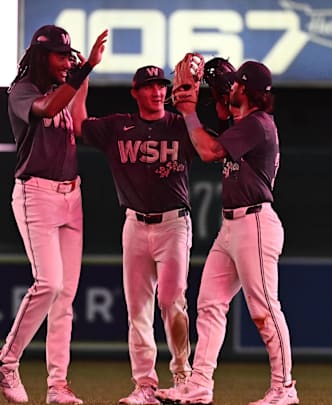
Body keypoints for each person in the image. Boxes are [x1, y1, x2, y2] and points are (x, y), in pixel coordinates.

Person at [156, 61, 300, 405]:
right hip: (232, 226)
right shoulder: (244, 120)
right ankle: (200, 384)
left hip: (255, 223)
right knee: (209, 304)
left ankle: (284, 388)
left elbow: (208, 149)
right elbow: (224, 110)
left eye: (237, 83)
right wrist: (211, 80)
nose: (231, 86)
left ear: (247, 90)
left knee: (264, 309)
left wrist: (189, 110)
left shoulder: (258, 124)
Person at [0, 24, 108, 404]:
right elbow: (47, 109)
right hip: (35, 193)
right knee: (49, 283)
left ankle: (58, 386)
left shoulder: (68, 85)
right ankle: (7, 359)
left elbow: (75, 123)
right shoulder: (22, 91)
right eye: (60, 55)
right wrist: (83, 71)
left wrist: (81, 78)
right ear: (42, 57)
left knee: (65, 297)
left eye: (68, 55)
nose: (66, 61)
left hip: (71, 194)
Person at [80, 65, 195, 405]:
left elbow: (212, 143)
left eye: (161, 86)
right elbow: (77, 124)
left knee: (172, 302)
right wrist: (82, 76)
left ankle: (181, 375)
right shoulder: (118, 126)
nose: (157, 92)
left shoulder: (179, 124)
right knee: (138, 310)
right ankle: (145, 385)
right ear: (135, 92)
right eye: (149, 87)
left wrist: (193, 99)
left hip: (174, 223)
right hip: (134, 223)